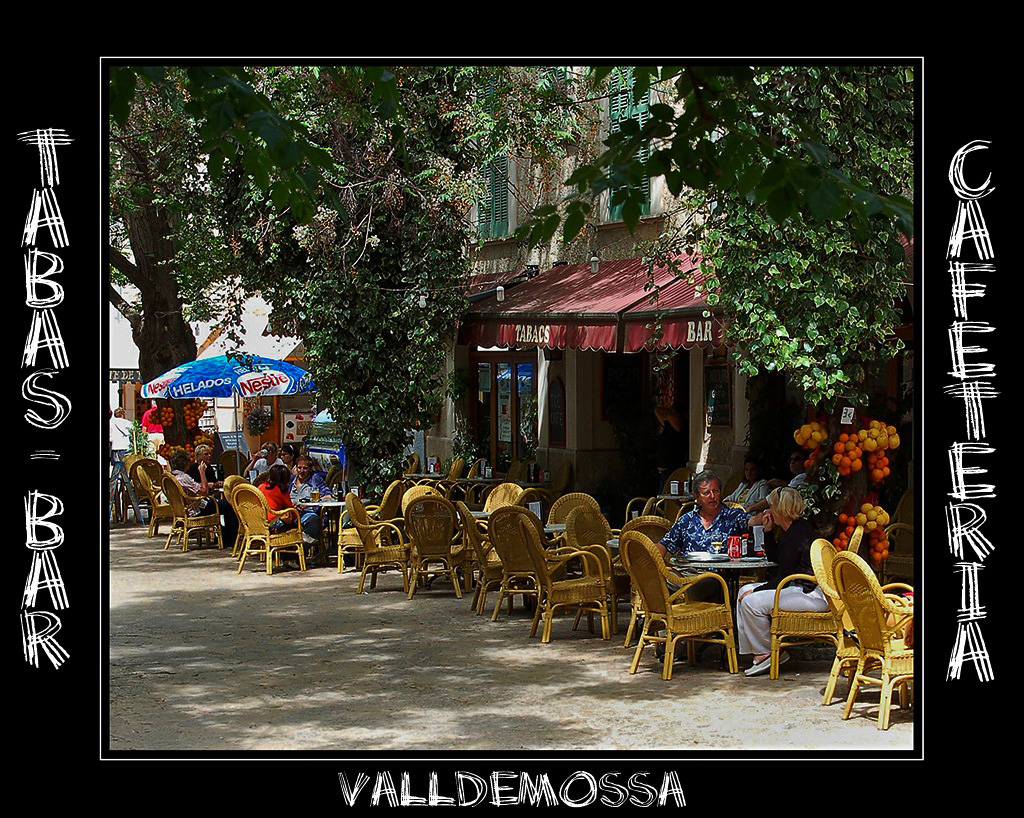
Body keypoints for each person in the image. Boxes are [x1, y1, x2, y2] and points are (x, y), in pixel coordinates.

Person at [736, 486, 829, 677]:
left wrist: (757, 591)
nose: (767, 510)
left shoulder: (796, 533)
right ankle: (758, 652)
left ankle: (766, 653)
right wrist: (768, 531)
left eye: (771, 506)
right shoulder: (794, 529)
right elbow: (778, 561)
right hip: (797, 587)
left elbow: (783, 578)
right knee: (743, 591)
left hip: (810, 593)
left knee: (750, 601)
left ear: (780, 509)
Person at [657, 470, 753, 558]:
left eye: (715, 491)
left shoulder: (733, 517)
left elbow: (753, 521)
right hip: (688, 574)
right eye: (706, 493)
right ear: (696, 495)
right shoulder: (687, 521)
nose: (712, 496)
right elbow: (664, 544)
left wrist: (766, 514)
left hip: (719, 575)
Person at [168, 449, 237, 547]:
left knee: (223, 504)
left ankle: (224, 536)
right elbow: (204, 492)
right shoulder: (184, 477)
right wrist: (202, 472)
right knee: (230, 504)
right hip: (198, 509)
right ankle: (230, 539)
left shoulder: (171, 477)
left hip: (185, 509)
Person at [289, 454, 333, 553]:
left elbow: (328, 495)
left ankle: (299, 554)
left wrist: (311, 503)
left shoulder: (315, 479)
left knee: (313, 519)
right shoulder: (291, 480)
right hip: (292, 514)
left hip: (308, 512)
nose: (301, 471)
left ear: (310, 468)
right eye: (299, 468)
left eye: (305, 468)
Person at [654, 404, 687, 492]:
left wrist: (669, 413)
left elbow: (670, 416)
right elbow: (657, 410)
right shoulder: (667, 426)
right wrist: (668, 411)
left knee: (666, 498)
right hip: (664, 471)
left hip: (671, 469)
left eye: (673, 411)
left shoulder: (678, 428)